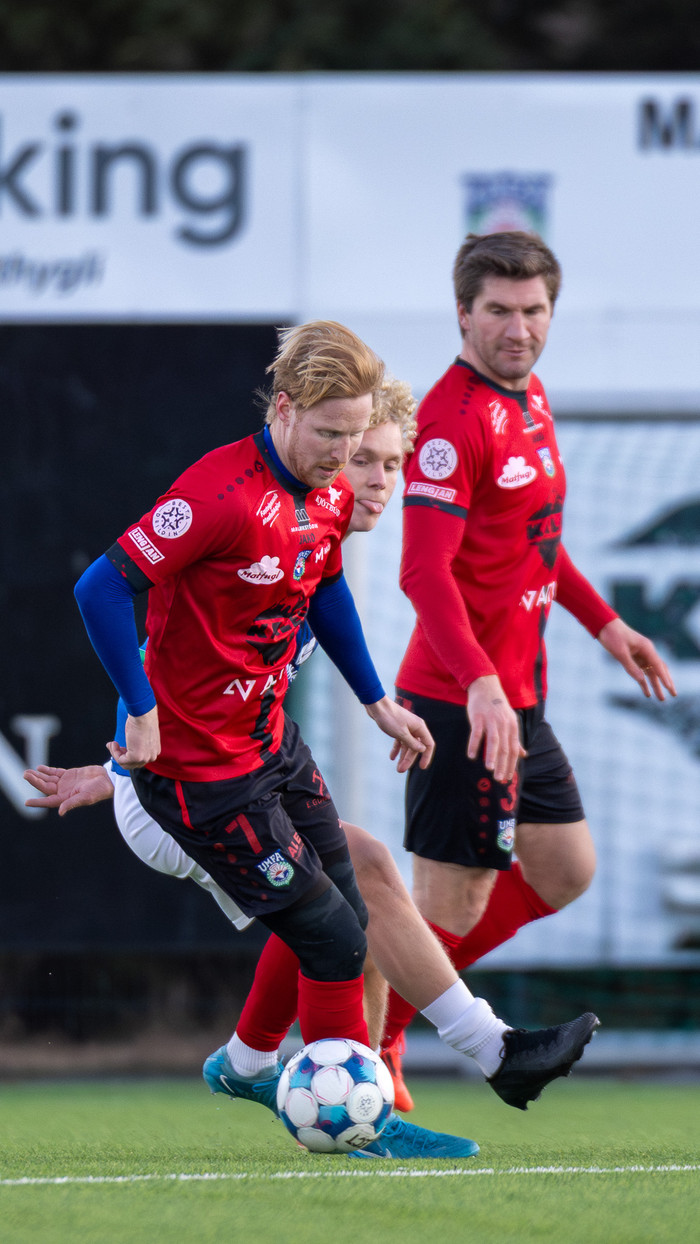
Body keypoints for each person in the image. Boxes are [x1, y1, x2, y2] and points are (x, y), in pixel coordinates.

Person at [31, 364, 598, 1159]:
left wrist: (375, 701)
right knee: (337, 915)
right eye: (357, 455)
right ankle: (377, 1099)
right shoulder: (248, 508)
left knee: (351, 879)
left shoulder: (312, 535)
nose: (371, 478)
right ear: (299, 427)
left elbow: (225, 654)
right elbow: (150, 635)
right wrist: (125, 767)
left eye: (389, 462)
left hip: (231, 765)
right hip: (185, 785)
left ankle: (258, 1061)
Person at [378, 231, 676, 1083]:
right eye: (499, 311)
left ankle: (383, 1001)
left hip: (516, 699)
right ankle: (368, 1048)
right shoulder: (450, 421)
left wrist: (606, 624)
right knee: (450, 900)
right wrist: (477, 682)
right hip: (459, 700)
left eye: (534, 310)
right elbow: (421, 571)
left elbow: (534, 541)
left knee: (565, 867)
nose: (519, 329)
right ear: (463, 314)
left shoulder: (530, 397)